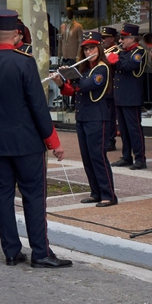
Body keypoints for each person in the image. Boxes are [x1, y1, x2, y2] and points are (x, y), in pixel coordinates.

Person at [0, 9, 70, 269]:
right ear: (16, 34)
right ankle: (40, 252)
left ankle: (12, 252)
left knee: (3, 196)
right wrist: (54, 142)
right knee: (34, 196)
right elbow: (38, 106)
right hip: (25, 143)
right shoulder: (24, 62)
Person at [54, 31, 117, 207]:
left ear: (98, 48)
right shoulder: (85, 69)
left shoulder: (102, 68)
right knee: (87, 157)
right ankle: (95, 192)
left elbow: (87, 85)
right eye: (86, 49)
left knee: (98, 157)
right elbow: (72, 91)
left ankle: (109, 194)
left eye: (92, 48)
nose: (89, 52)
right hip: (83, 116)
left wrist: (69, 76)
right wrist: (60, 82)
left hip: (97, 117)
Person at [108, 24, 147, 170]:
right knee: (123, 130)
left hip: (131, 97)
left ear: (132, 38)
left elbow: (129, 66)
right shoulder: (123, 52)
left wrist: (114, 59)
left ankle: (140, 158)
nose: (121, 40)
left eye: (124, 38)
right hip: (120, 96)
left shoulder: (139, 52)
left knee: (134, 129)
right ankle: (126, 157)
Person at [100, 26, 119, 152]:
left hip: (111, 88)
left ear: (112, 38)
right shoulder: (102, 50)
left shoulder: (116, 51)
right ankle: (104, 139)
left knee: (111, 117)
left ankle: (111, 141)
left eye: (105, 37)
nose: (102, 40)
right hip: (102, 88)